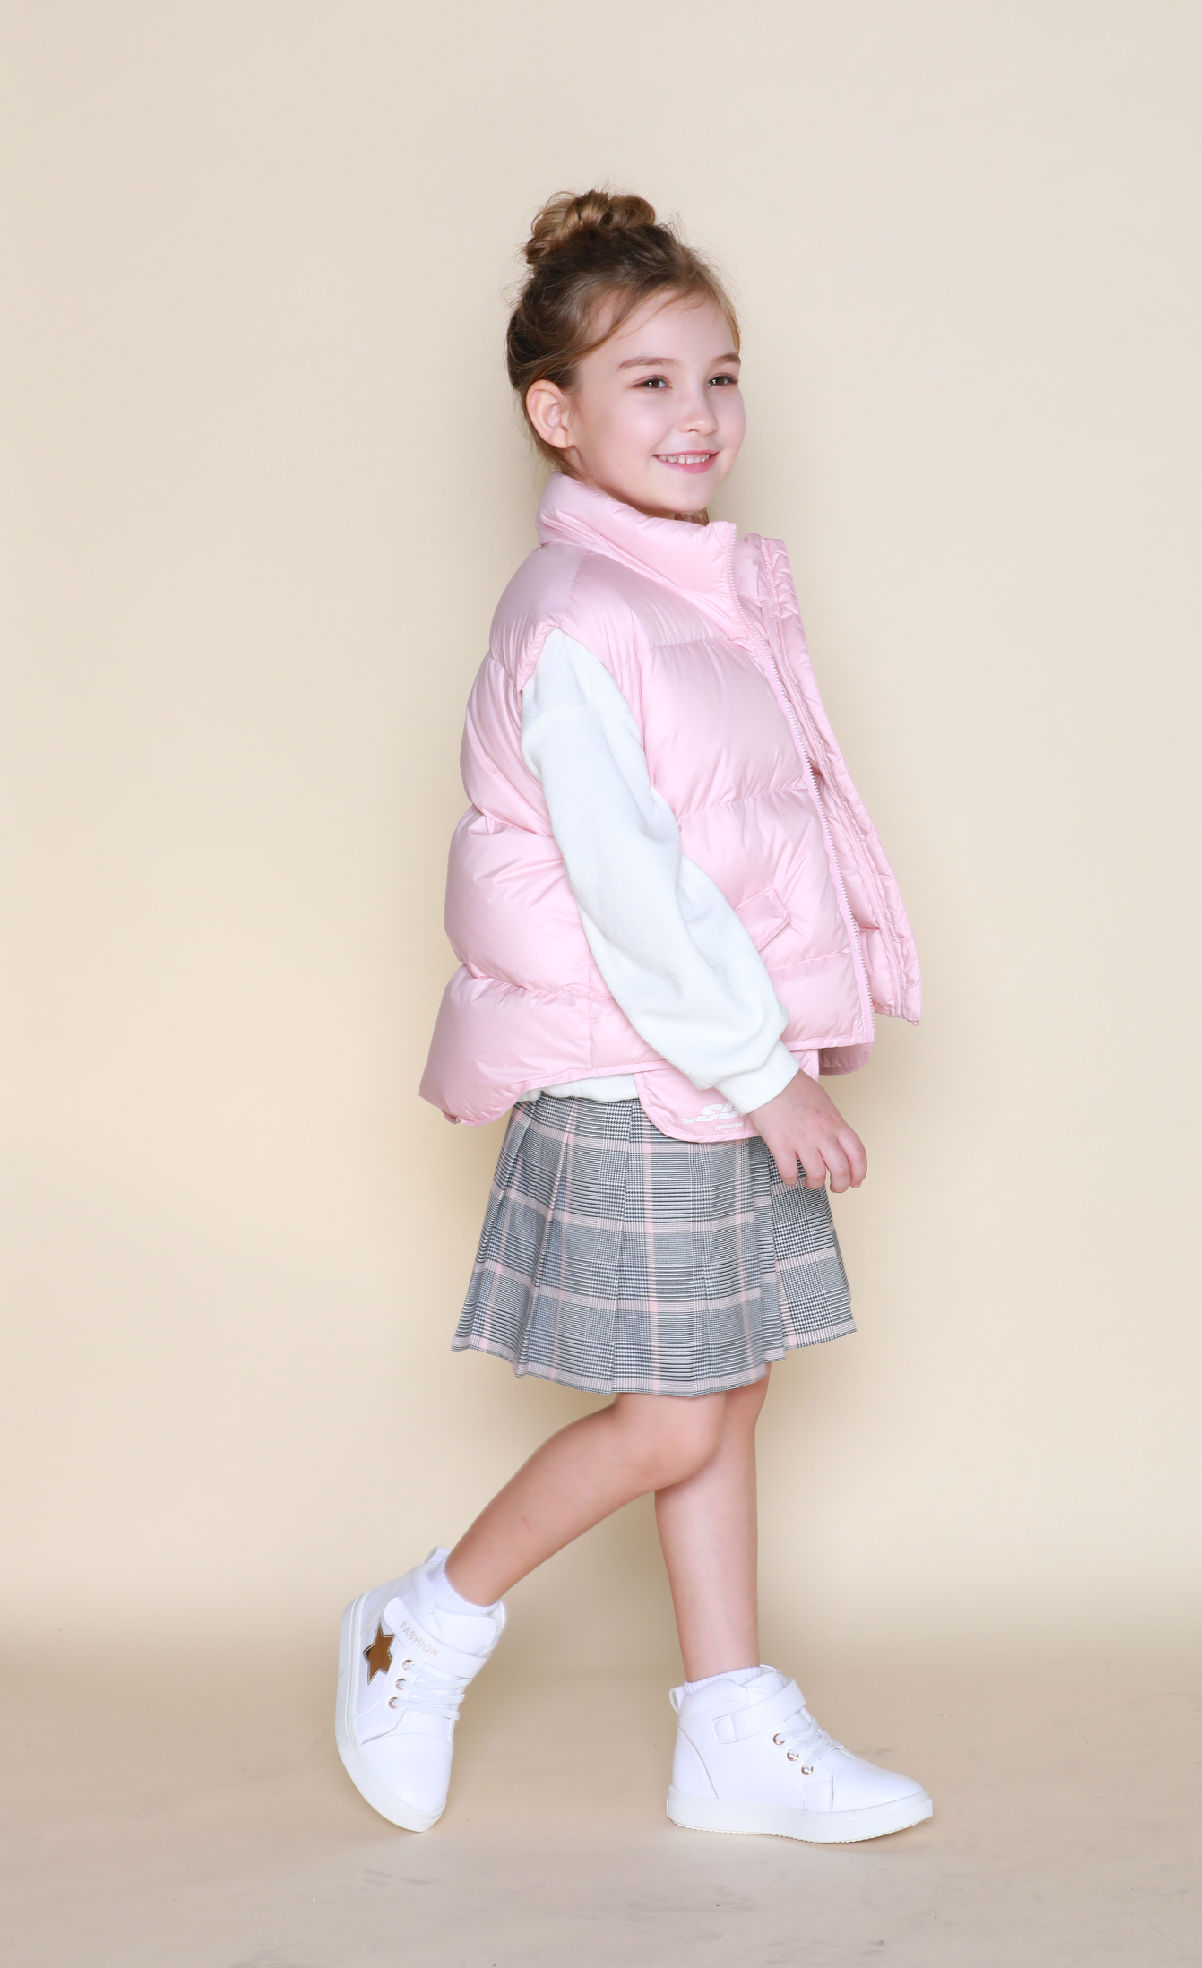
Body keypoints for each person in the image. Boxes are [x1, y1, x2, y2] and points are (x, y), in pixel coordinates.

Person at [334, 189, 931, 1847]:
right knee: (674, 1413)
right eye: (648, 381)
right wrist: (765, 1077)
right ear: (556, 412)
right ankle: (422, 1622)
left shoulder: (702, 594)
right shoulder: (579, 616)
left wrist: (791, 1042)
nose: (698, 414)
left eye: (719, 376)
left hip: (719, 1064)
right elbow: (635, 895)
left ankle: (727, 1725)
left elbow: (760, 836)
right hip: (636, 1073)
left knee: (724, 1392)